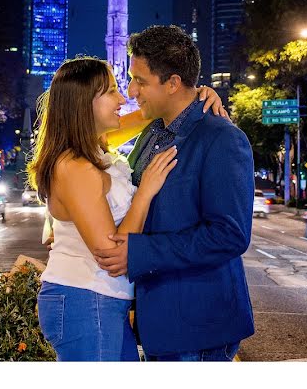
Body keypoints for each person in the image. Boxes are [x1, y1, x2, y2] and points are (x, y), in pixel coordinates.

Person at [28, 56, 227, 361]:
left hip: (102, 301)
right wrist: (145, 191)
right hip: (85, 297)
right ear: (83, 104)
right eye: (110, 92)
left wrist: (197, 94)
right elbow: (113, 255)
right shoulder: (75, 166)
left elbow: (152, 113)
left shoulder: (96, 144)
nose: (123, 98)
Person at [93, 25, 255, 361]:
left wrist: (140, 252)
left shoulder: (221, 138)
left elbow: (229, 235)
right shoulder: (151, 133)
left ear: (172, 83)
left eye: (141, 81)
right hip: (157, 322)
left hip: (198, 327)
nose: (132, 90)